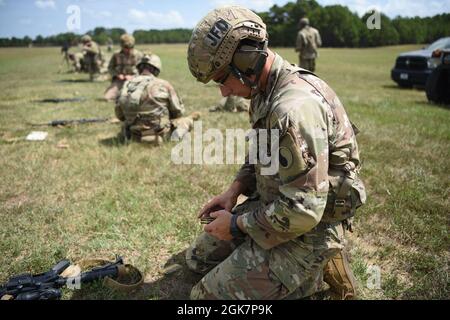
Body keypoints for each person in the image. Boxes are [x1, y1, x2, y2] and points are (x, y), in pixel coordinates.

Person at [185, 6, 366, 300]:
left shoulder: (292, 109)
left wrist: (236, 224)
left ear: (246, 62)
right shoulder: (263, 91)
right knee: (197, 259)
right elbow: (261, 151)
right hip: (277, 206)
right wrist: (234, 191)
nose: (224, 92)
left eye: (221, 79)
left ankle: (316, 268)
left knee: (204, 299)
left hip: (309, 227)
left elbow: (304, 209)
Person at [115, 53, 200, 144]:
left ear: (139, 68)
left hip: (132, 134)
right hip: (160, 133)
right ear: (156, 70)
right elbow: (178, 112)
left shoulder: (127, 84)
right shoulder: (164, 85)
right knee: (186, 121)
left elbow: (119, 114)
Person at [105, 34, 143, 101]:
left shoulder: (139, 55)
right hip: (119, 81)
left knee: (135, 98)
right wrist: (117, 75)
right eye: (126, 47)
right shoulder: (116, 54)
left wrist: (133, 77)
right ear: (121, 46)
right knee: (107, 97)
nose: (128, 49)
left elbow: (143, 71)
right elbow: (110, 68)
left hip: (135, 81)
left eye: (130, 47)